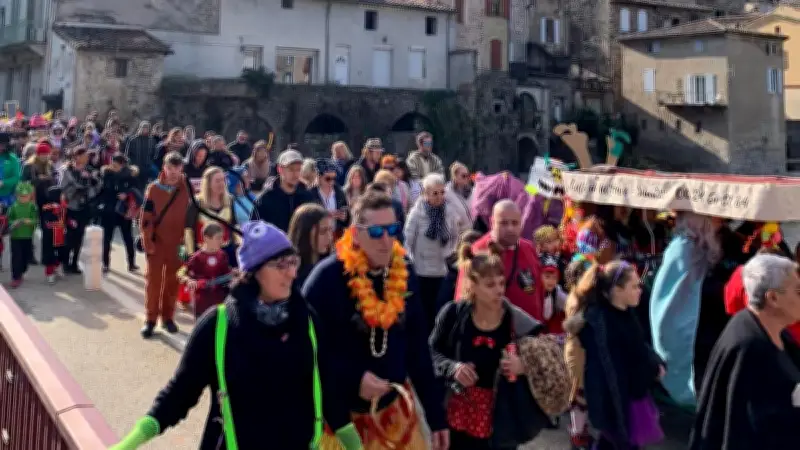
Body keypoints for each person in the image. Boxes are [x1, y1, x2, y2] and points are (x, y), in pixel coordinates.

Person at [111, 221, 363, 450]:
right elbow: (180, 394)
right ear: (253, 271)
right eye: (280, 265)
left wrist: (355, 446)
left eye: (292, 262)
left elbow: (329, 392)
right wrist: (131, 442)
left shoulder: (306, 320)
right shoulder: (219, 325)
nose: (291, 273)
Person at [303, 190, 449, 450]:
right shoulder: (325, 280)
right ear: (355, 234)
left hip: (396, 416)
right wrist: (353, 379)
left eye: (392, 229)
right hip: (343, 423)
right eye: (375, 232)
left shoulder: (405, 273)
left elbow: (417, 350)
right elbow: (309, 355)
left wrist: (436, 416)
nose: (385, 240)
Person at [690, 254, 800, 450]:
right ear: (773, 298)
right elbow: (750, 426)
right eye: (798, 291)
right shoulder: (749, 346)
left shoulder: (775, 331)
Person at [569, 260, 665, 449]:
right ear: (617, 290)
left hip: (630, 398)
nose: (640, 290)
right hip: (614, 404)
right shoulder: (601, 325)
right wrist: (651, 370)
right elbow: (615, 368)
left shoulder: (627, 313)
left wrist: (655, 362)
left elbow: (640, 347)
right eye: (634, 286)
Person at [649, 212, 722, 408]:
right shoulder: (682, 249)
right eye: (711, 219)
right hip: (686, 327)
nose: (717, 224)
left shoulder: (698, 248)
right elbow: (672, 297)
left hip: (701, 325)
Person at [456, 200, 544, 320]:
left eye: (515, 223)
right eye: (504, 223)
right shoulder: (477, 253)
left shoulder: (529, 248)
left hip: (532, 329)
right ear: (492, 222)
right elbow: (463, 302)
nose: (510, 228)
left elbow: (540, 290)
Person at [140, 152, 190, 338]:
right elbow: (145, 218)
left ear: (181, 168)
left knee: (173, 282)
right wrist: (147, 241)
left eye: (177, 168)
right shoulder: (153, 189)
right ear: (164, 168)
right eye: (170, 168)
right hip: (157, 242)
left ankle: (168, 317)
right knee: (153, 282)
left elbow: (193, 213)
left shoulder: (186, 187)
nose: (173, 172)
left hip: (179, 243)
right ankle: (150, 319)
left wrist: (189, 242)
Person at [404, 173, 462, 331]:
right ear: (426, 194)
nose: (439, 197)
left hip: (442, 269)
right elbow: (407, 240)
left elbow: (455, 235)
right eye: (435, 193)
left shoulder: (449, 211)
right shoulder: (416, 213)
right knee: (424, 311)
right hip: (422, 270)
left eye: (442, 192)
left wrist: (450, 251)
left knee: (440, 309)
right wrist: (411, 261)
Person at [60, 146, 102, 274]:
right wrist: (79, 185)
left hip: (85, 207)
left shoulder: (90, 170)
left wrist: (91, 180)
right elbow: (64, 188)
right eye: (83, 155)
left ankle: (75, 263)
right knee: (70, 236)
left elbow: (98, 186)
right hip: (72, 207)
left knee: (80, 236)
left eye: (86, 156)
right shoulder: (68, 170)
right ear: (76, 156)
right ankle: (65, 263)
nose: (85, 158)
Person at [250, 149, 315, 232]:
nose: (295, 174)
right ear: (280, 169)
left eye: (298, 169)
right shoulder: (265, 199)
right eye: (291, 169)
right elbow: (255, 230)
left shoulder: (308, 197)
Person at [177, 223, 232, 319]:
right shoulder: (197, 257)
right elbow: (180, 273)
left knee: (221, 328)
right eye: (218, 238)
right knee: (204, 328)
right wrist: (188, 280)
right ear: (206, 238)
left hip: (220, 304)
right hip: (202, 305)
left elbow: (227, 275)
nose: (221, 241)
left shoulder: (222, 255)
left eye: (222, 238)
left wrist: (234, 275)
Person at [99, 154, 140, 273]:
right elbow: (103, 191)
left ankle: (131, 263)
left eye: (116, 165)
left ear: (122, 165)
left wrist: (126, 194)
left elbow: (136, 191)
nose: (113, 166)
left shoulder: (130, 176)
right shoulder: (107, 175)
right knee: (107, 238)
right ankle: (105, 264)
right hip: (109, 210)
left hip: (124, 211)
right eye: (112, 164)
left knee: (128, 238)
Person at [288, 203, 334, 290]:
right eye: (322, 231)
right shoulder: (290, 270)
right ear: (304, 233)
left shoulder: (331, 265)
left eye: (330, 230)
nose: (329, 237)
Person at [7, 182, 37, 288]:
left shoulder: (32, 207)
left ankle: (22, 270)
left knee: (26, 257)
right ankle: (16, 277)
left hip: (27, 236)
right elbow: (8, 220)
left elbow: (35, 220)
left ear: (30, 196)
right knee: (16, 257)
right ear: (17, 196)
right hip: (16, 236)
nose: (23, 199)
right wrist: (13, 223)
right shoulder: (13, 207)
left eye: (26, 196)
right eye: (21, 196)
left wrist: (30, 222)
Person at [40, 186, 67, 284]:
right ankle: (50, 274)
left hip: (60, 234)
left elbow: (65, 219)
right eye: (61, 194)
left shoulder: (62, 206)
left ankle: (57, 267)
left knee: (60, 252)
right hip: (50, 235)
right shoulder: (48, 208)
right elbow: (47, 223)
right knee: (50, 253)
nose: (63, 196)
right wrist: (58, 224)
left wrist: (68, 223)